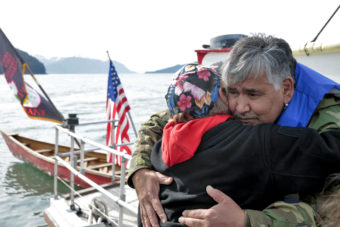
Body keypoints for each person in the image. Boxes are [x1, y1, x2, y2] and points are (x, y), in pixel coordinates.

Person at [128, 34, 340, 227]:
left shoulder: (327, 114)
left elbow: (329, 207)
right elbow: (160, 122)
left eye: (253, 95)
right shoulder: (226, 78)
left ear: (286, 89)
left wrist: (248, 221)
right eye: (233, 93)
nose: (240, 107)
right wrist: (140, 171)